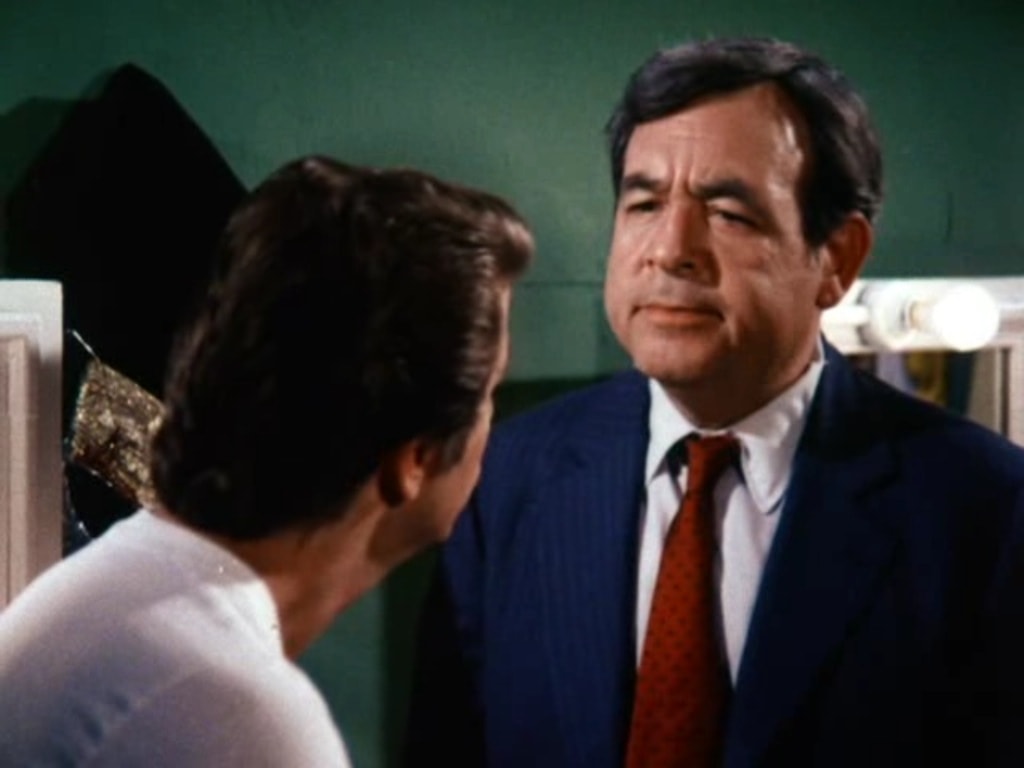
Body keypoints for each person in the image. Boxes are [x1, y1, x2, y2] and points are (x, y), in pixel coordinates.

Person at [403, 36, 1024, 767]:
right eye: (643, 203)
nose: (670, 249)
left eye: (729, 214)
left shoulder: (984, 509)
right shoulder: (508, 476)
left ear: (837, 258)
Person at [0, 155, 533, 766]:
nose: (496, 421)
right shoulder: (231, 711)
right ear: (413, 461)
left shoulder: (116, 594)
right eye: (490, 391)